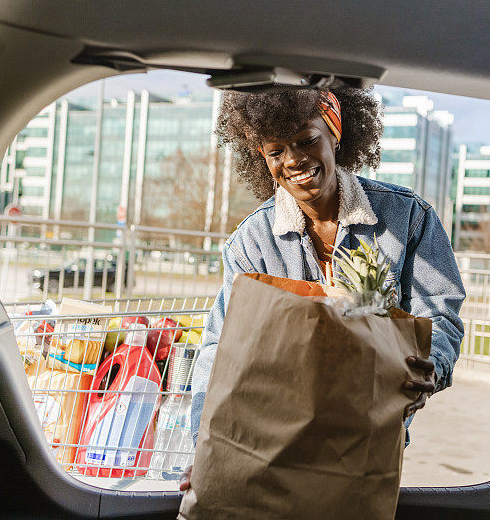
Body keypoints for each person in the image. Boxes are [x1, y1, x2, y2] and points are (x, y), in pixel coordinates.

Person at [180, 86, 465, 490]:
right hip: (276, 433)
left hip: (370, 434)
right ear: (261, 157)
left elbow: (439, 315)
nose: (293, 160)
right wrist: (203, 449)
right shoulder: (252, 242)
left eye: (306, 141)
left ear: (335, 133)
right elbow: (220, 351)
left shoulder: (407, 218)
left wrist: (429, 367)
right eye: (275, 150)